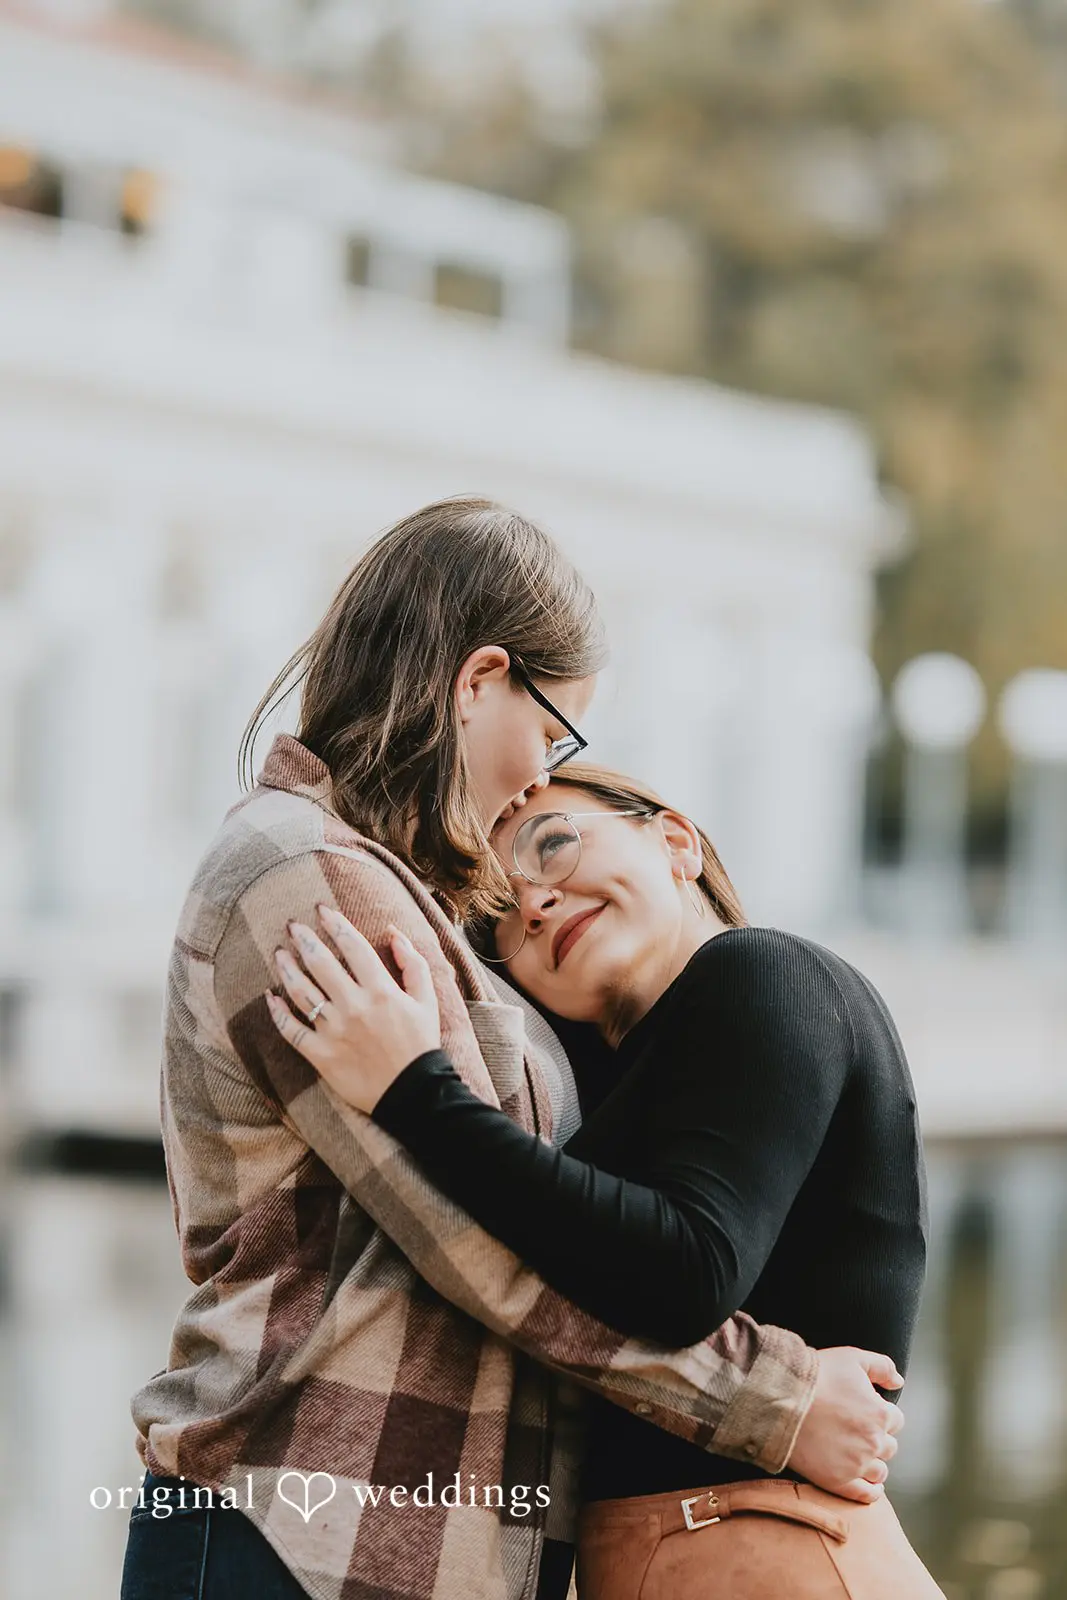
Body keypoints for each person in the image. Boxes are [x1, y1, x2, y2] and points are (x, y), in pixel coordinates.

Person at [123, 498, 904, 1600]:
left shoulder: (406, 896)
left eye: (558, 789)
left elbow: (532, 1213)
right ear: (480, 679)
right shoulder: (311, 877)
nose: (536, 778)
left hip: (385, 1537)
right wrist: (772, 1400)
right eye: (550, 734)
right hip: (300, 1523)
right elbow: (469, 1241)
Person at [266, 761, 942, 1599]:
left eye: (550, 845)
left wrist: (413, 1091)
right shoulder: (614, 1082)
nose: (533, 904)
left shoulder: (763, 972)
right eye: (496, 916)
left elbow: (687, 1271)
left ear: (675, 842)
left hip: (769, 1553)